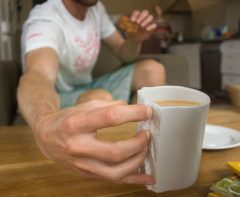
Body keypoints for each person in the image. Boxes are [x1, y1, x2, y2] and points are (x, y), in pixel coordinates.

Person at [17, 0, 166, 185]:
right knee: (99, 98)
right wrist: (44, 121)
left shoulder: (96, 9)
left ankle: (150, 150)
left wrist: (134, 40)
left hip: (86, 86)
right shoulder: (46, 17)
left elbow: (124, 54)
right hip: (58, 96)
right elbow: (38, 74)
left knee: (153, 70)